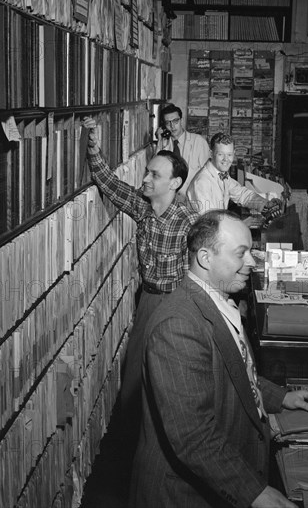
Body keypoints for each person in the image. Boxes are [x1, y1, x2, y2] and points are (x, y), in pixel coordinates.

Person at [129, 210, 308, 507]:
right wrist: (254, 492)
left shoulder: (216, 299)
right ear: (206, 258)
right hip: (183, 496)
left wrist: (282, 397)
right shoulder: (178, 325)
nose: (252, 262)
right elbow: (193, 436)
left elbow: (233, 370)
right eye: (241, 254)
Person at [83, 117, 198, 461]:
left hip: (177, 306)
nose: (145, 179)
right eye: (147, 172)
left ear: (175, 183)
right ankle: (135, 448)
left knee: (170, 382)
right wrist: (93, 145)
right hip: (147, 299)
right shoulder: (144, 207)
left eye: (154, 175)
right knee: (135, 375)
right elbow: (110, 184)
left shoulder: (187, 221)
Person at [186, 132, 283, 226]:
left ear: (234, 154)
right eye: (220, 154)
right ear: (211, 154)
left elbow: (241, 194)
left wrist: (265, 204)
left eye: (229, 155)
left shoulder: (222, 175)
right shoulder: (202, 182)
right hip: (205, 237)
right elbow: (211, 222)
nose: (226, 159)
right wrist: (240, 225)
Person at [155, 104, 210, 197]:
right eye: (168, 123)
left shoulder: (198, 142)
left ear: (181, 120)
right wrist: (160, 140)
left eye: (175, 121)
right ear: (164, 126)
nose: (172, 126)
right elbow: (155, 170)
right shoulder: (164, 145)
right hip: (170, 198)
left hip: (194, 197)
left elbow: (207, 175)